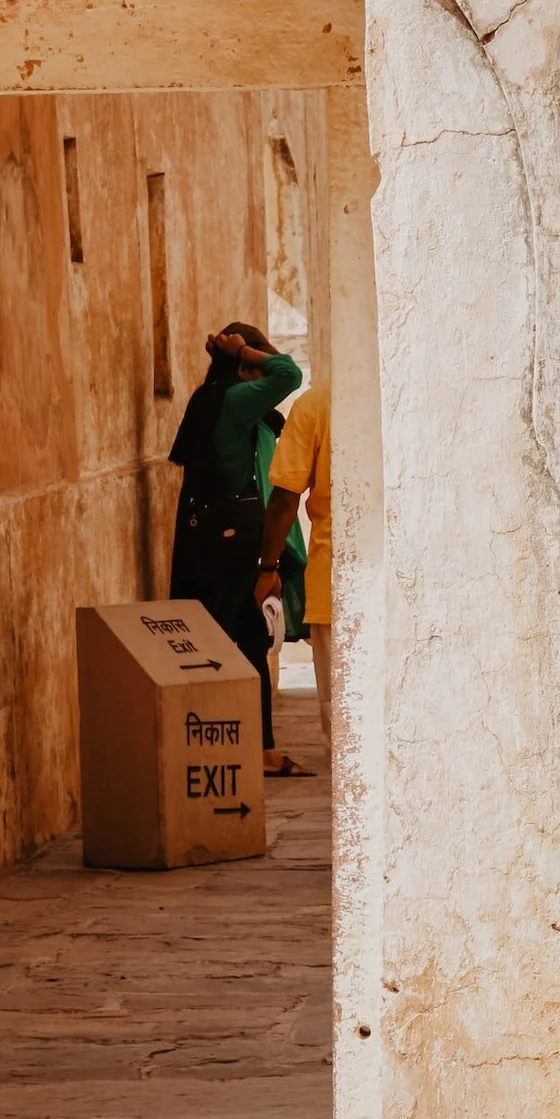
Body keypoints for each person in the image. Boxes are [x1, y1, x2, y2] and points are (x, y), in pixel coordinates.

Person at [168, 321, 308, 778]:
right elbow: (289, 374)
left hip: (205, 535)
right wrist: (251, 352)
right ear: (246, 365)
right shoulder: (233, 399)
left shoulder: (210, 399)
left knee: (238, 640)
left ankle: (257, 748)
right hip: (229, 540)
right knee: (231, 643)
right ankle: (220, 748)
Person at [257, 380, 332, 746]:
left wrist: (267, 567)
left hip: (335, 579)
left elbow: (285, 498)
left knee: (342, 716)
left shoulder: (317, 403)